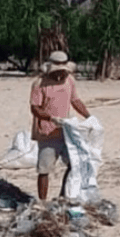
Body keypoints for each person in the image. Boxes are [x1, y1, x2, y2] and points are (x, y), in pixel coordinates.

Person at [29, 51, 91, 200]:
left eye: (63, 73)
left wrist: (89, 117)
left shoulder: (69, 81)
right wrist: (50, 118)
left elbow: (75, 100)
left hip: (66, 131)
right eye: (57, 73)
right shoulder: (39, 84)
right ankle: (42, 201)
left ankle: (63, 195)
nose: (60, 76)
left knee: (74, 163)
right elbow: (35, 108)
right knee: (44, 169)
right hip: (47, 132)